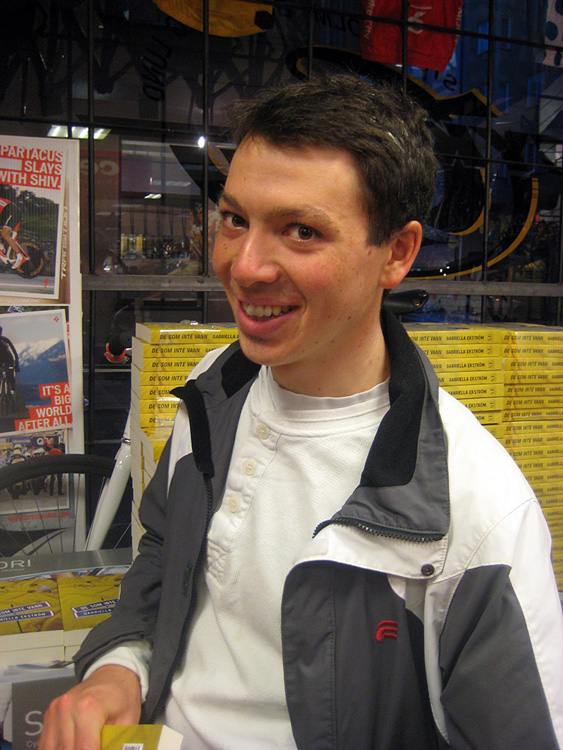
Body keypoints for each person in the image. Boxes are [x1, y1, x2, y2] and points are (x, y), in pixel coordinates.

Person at [39, 74, 563, 750]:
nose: (245, 266)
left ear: (397, 253)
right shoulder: (214, 390)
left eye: (302, 231)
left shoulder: (476, 515)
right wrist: (120, 667)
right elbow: (165, 552)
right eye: (235, 219)